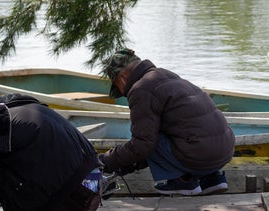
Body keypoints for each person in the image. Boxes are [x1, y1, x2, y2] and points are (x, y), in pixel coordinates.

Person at [98, 48, 235, 196]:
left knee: (149, 137)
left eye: (117, 84)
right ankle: (212, 179)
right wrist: (126, 164)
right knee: (183, 128)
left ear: (122, 76)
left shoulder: (140, 89)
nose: (122, 92)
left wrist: (105, 160)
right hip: (225, 149)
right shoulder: (167, 75)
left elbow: (142, 145)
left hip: (197, 153)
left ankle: (181, 181)